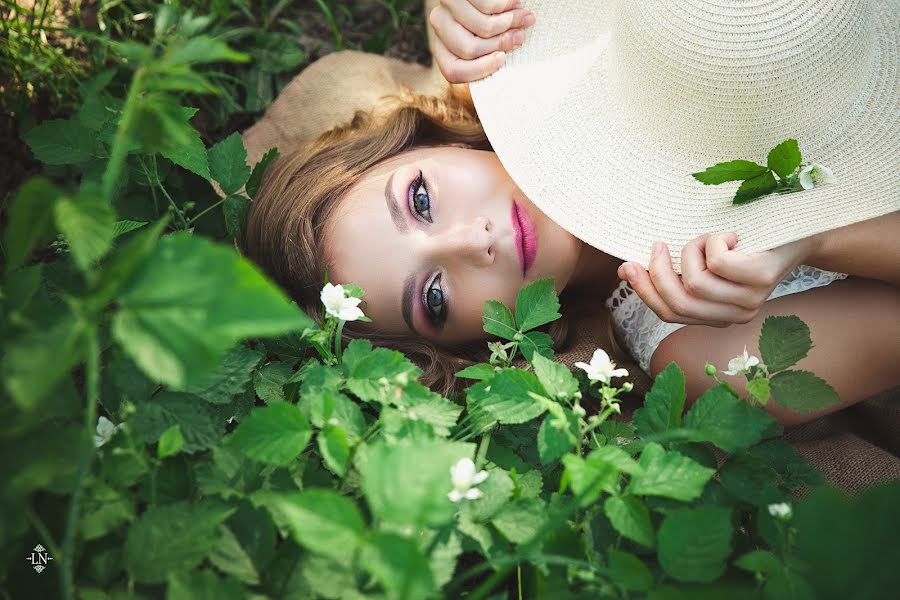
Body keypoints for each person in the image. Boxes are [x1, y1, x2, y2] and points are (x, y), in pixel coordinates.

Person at [244, 0, 900, 426]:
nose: (475, 240)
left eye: (421, 199)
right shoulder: (710, 356)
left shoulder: (548, 50)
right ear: (472, 345)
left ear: (435, 139)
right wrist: (811, 236)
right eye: (435, 295)